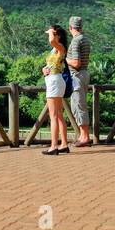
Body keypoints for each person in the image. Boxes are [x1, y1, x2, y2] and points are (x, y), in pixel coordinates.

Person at [41, 24, 72, 156]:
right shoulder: (54, 50)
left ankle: (54, 146)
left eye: (53, 32)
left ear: (57, 35)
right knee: (58, 115)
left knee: (53, 115)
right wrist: (44, 69)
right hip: (54, 80)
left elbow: (52, 41)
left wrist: (50, 33)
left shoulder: (60, 47)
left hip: (55, 82)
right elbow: (53, 65)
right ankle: (64, 144)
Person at [65, 16, 92, 147]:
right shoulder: (85, 39)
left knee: (79, 105)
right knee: (78, 104)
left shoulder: (76, 41)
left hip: (77, 76)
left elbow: (76, 62)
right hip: (83, 74)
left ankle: (85, 137)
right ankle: (82, 136)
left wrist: (64, 59)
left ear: (70, 27)